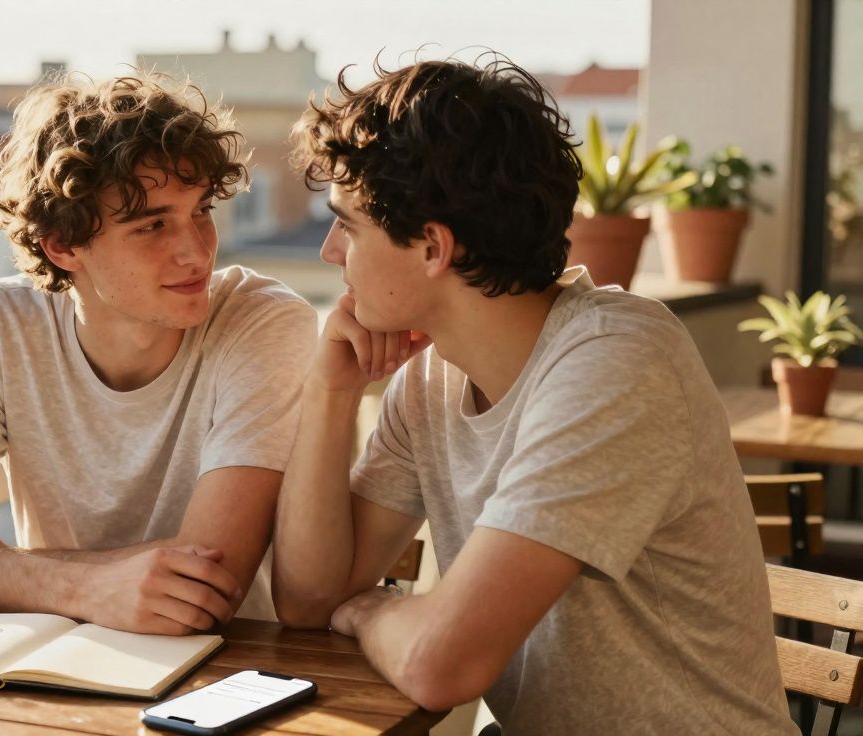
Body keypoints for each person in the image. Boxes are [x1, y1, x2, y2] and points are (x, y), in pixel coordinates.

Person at [272, 56, 797, 734]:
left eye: (347, 224)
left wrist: (374, 609)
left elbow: (440, 664)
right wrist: (329, 391)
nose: (328, 252)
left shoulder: (616, 362)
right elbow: (311, 599)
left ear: (432, 247)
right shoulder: (433, 379)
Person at [0, 72, 316, 635]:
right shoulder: (2, 324)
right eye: (153, 225)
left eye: (200, 211)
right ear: (63, 245)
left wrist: (8, 570)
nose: (196, 252)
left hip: (225, 670)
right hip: (55, 660)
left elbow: (203, 588)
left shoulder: (261, 320)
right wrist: (81, 588)